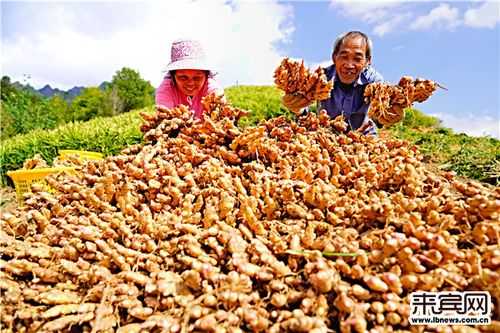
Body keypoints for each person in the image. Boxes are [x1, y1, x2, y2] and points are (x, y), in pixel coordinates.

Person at [284, 31, 383, 135]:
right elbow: (303, 112)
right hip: (326, 136)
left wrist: (387, 116)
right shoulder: (320, 78)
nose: (349, 65)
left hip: (364, 139)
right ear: (334, 57)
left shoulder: (375, 82)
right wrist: (296, 107)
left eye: (357, 59)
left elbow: (379, 117)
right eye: (344, 56)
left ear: (368, 61)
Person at [156, 39, 224, 119]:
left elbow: (221, 119)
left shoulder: (214, 91)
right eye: (183, 77)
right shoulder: (165, 90)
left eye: (197, 78)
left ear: (206, 76)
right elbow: (165, 120)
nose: (190, 83)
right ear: (173, 76)